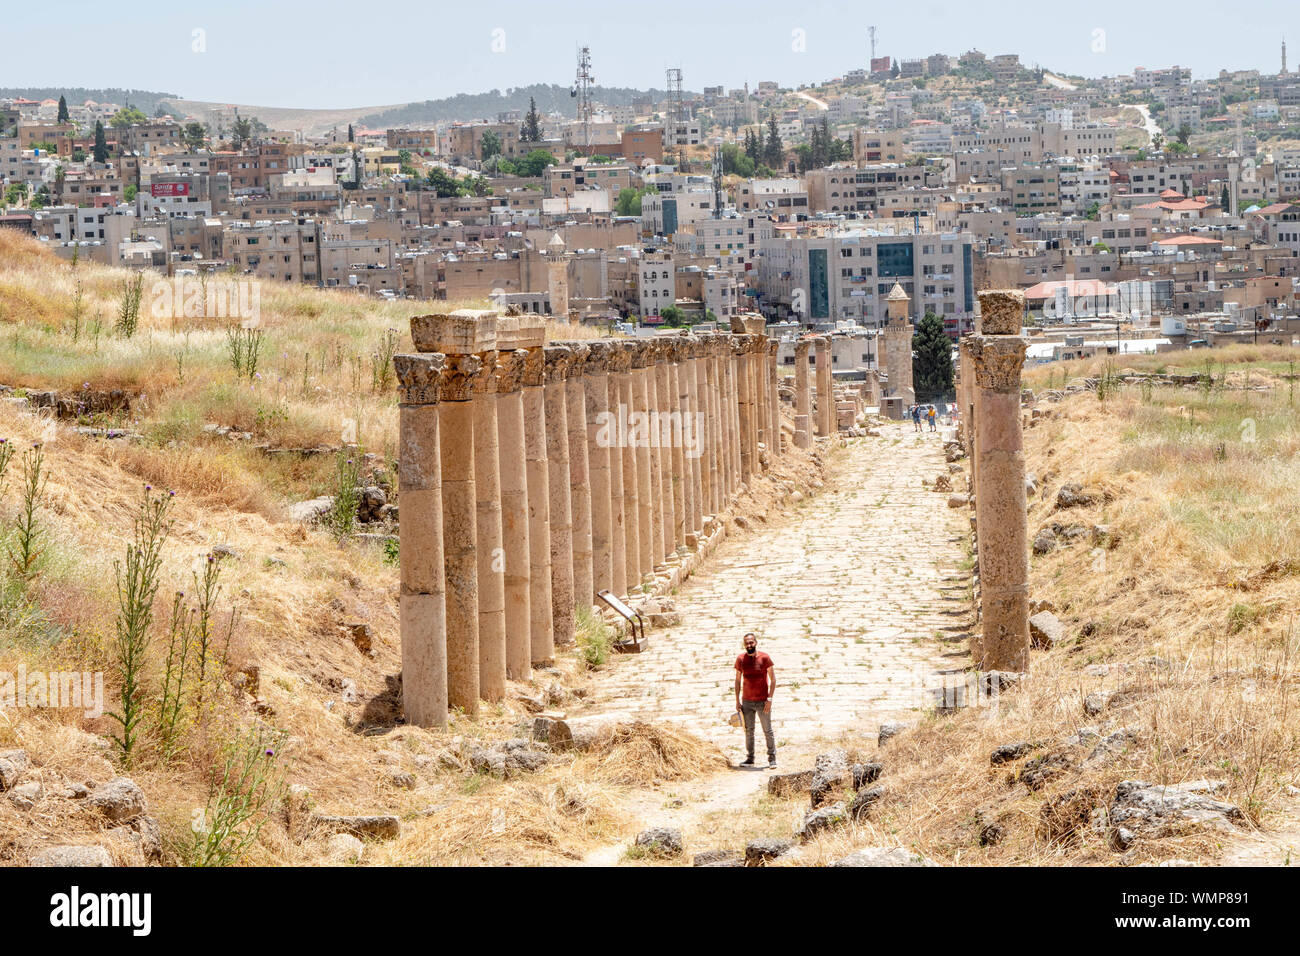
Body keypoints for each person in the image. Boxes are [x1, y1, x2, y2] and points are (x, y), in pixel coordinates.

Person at [734, 633, 777, 768]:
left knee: (767, 730)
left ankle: (772, 758)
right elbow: (737, 680)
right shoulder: (740, 659)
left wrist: (769, 699)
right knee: (749, 731)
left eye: (751, 642)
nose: (749, 645)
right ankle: (750, 758)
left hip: (763, 701)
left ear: (756, 642)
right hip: (747, 701)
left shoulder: (765, 658)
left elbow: (773, 679)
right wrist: (737, 700)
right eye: (747, 643)